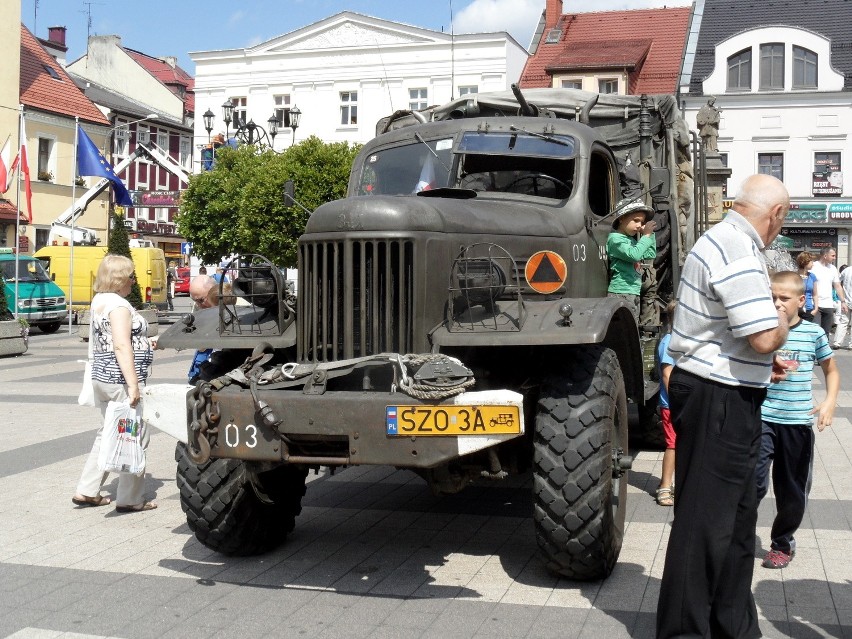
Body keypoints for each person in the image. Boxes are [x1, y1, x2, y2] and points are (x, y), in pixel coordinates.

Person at [656, 174, 791, 639]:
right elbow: (761, 336)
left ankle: (731, 625)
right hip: (719, 398)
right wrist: (784, 317)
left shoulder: (729, 240)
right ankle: (686, 631)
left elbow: (730, 336)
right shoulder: (736, 246)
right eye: (783, 220)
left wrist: (761, 364)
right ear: (776, 214)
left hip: (723, 390)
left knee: (734, 521)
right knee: (706, 524)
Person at [756, 271, 838, 569]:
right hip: (762, 419)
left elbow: (831, 370)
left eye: (784, 298)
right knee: (752, 482)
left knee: (791, 489)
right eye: (772, 297)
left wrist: (829, 401)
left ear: (801, 300)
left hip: (797, 424)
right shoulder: (761, 331)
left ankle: (782, 543)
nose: (777, 303)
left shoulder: (813, 333)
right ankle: (737, 536)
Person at [72, 254, 157, 512]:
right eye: (131, 275)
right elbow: (121, 345)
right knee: (134, 434)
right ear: (120, 278)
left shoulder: (99, 300)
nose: (134, 280)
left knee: (105, 434)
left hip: (103, 377)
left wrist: (144, 343)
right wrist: (133, 385)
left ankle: (87, 490)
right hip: (120, 380)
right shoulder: (119, 306)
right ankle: (131, 498)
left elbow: (113, 341)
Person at [606, 197, 656, 325]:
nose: (639, 225)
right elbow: (634, 255)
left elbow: (650, 253)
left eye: (642, 222)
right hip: (621, 292)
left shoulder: (632, 241)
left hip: (633, 291)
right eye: (636, 220)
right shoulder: (616, 240)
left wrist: (650, 235)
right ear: (621, 218)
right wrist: (645, 236)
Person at [655, 300, 677, 507]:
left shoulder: (679, 341)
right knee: (673, 445)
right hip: (672, 405)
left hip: (681, 404)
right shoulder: (669, 342)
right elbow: (667, 374)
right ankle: (664, 486)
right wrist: (677, 400)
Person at [810, 247, 847, 339]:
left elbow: (837, 286)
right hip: (815, 304)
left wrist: (843, 301)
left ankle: (823, 351)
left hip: (828, 304)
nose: (834, 258)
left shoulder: (833, 268)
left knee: (826, 331)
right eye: (833, 256)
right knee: (816, 329)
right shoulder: (813, 267)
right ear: (825, 256)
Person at [188, 274, 217, 383]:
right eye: (194, 300)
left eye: (201, 300)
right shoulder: (198, 305)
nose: (198, 305)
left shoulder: (230, 304)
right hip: (202, 356)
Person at [832, 264, 852, 349]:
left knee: (843, 322)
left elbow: (838, 282)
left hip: (846, 300)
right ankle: (851, 344)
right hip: (846, 300)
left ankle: (837, 342)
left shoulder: (846, 270)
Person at [796, 251, 819, 321]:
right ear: (805, 262)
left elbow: (815, 294)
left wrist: (816, 309)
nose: (813, 264)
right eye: (812, 262)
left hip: (809, 310)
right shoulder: (794, 276)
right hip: (796, 309)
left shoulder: (812, 276)